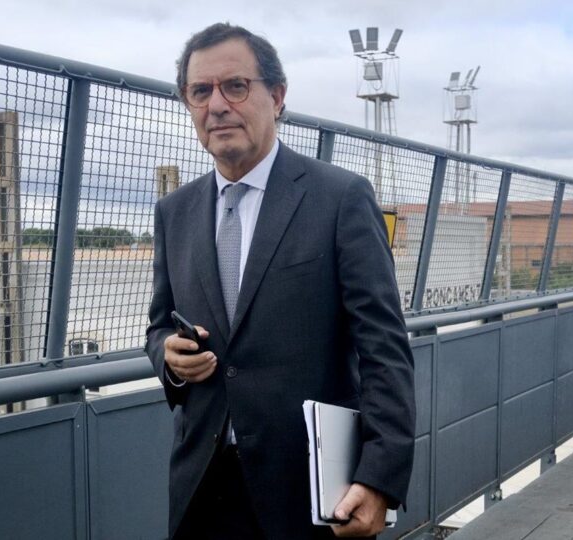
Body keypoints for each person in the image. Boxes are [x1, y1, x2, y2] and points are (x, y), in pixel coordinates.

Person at [145, 22, 415, 540]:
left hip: (308, 492)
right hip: (201, 488)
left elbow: (384, 349)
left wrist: (379, 477)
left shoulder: (340, 198)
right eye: (200, 91)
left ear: (277, 95)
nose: (217, 105)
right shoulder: (173, 212)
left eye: (236, 86)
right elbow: (158, 327)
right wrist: (169, 359)